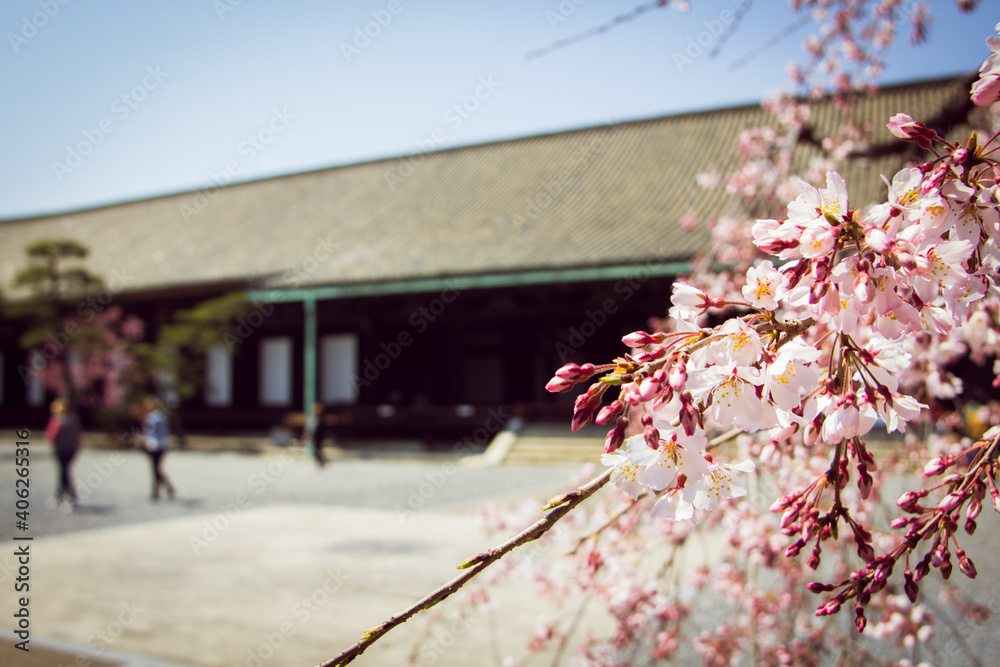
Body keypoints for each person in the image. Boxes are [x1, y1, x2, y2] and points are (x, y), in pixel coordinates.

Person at [45, 398, 81, 507]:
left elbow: (52, 436)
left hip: (60, 449)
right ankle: (64, 496)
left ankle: (66, 496)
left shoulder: (56, 420)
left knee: (63, 471)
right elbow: (79, 435)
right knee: (64, 471)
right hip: (72, 449)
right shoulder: (74, 419)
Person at [141, 397, 176, 500]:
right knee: (157, 468)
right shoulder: (163, 417)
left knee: (155, 469)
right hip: (163, 444)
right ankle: (159, 491)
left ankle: (162, 490)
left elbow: (150, 433)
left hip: (154, 445)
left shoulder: (151, 418)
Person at [306, 401, 329, 468]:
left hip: (319, 437)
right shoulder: (315, 418)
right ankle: (322, 462)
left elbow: (319, 429)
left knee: (319, 450)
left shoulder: (319, 419)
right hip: (316, 437)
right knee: (318, 450)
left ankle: (323, 462)